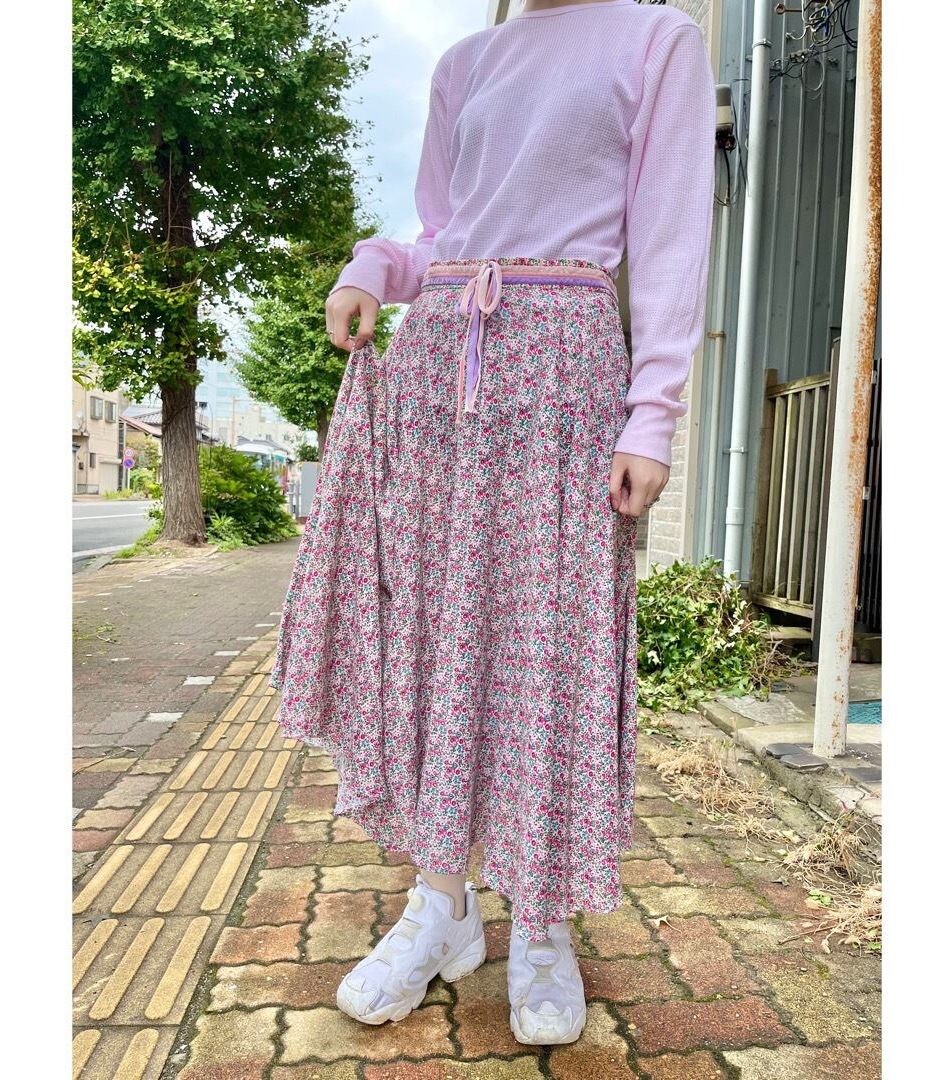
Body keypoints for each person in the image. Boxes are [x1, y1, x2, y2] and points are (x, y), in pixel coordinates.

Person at [271, 0, 716, 1046]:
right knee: (435, 637)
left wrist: (652, 412)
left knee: (549, 646)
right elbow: (443, 234)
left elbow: (669, 241)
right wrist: (374, 266)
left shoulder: (657, 40)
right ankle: (443, 903)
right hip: (443, 370)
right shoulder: (466, 63)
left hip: (564, 375)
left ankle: (543, 919)